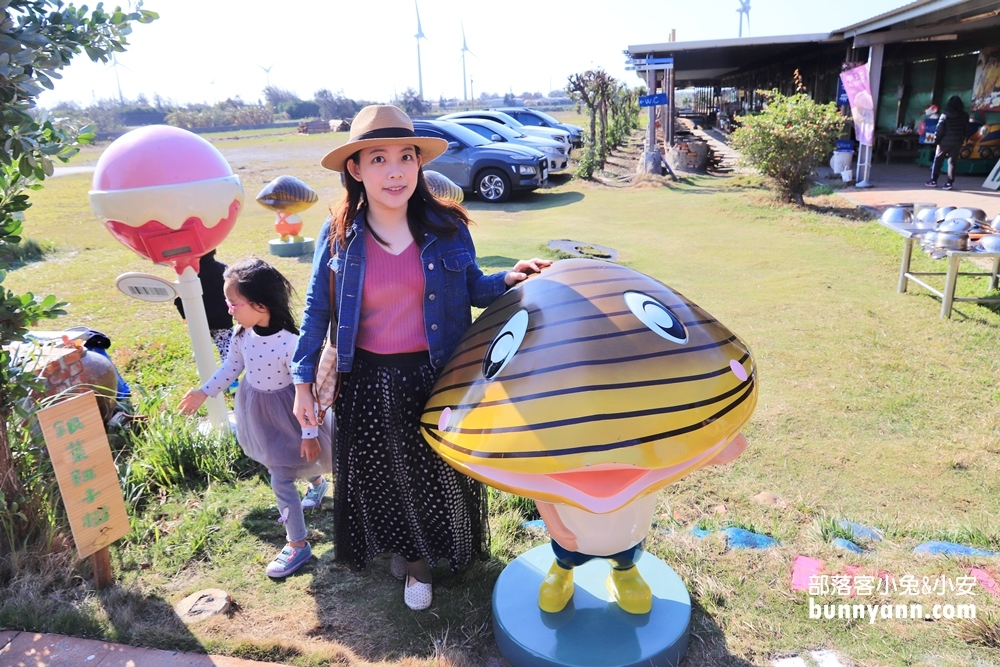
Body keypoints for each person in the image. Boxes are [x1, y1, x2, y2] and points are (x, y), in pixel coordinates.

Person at [290, 104, 551, 611]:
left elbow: (473, 285)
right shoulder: (340, 233)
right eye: (379, 158)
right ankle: (414, 562)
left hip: (434, 375)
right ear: (356, 169)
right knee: (382, 475)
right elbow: (316, 310)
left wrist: (509, 278)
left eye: (406, 157)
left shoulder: (446, 226)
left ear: (418, 165)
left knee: (436, 472)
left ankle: (426, 545)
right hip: (364, 377)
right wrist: (303, 383)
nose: (395, 170)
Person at [179, 257, 333, 577]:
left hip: (291, 412)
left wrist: (308, 435)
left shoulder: (292, 345)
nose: (229, 310)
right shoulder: (241, 334)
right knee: (282, 462)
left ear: (261, 305)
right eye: (228, 302)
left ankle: (297, 545)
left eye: (234, 303)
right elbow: (231, 367)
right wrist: (204, 391)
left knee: (283, 473)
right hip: (259, 412)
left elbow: (310, 396)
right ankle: (316, 483)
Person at [173, 249, 234, 361]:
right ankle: (231, 376)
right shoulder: (223, 269)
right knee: (227, 349)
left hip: (198, 319)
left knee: (201, 348)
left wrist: (184, 314)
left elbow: (180, 298)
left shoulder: (188, 274)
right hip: (222, 318)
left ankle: (204, 370)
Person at [926, 95, 970, 191]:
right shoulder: (965, 115)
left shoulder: (945, 115)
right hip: (957, 141)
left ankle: (933, 181)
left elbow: (939, 130)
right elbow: (966, 129)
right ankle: (949, 183)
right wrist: (963, 139)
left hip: (944, 142)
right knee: (952, 162)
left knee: (938, 160)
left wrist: (936, 141)